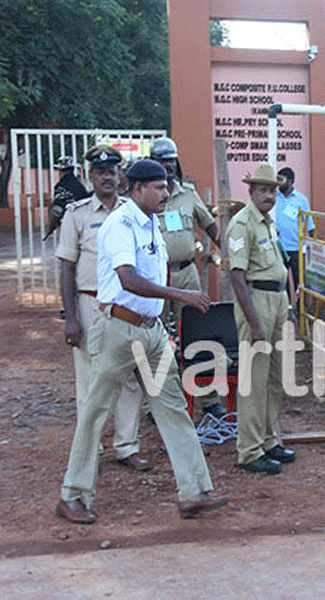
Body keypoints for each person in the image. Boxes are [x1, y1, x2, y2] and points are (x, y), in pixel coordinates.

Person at [56, 159, 229, 524]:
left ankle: (194, 490)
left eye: (166, 187)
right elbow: (129, 279)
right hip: (119, 328)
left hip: (149, 331)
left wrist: (162, 320)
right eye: (159, 187)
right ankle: (72, 495)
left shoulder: (152, 222)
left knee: (172, 408)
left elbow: (154, 272)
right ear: (136, 189)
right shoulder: (120, 224)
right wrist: (182, 297)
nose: (167, 193)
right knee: (96, 412)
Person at [55, 144, 149, 473]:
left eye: (112, 171)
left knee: (128, 377)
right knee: (90, 379)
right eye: (100, 172)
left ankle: (127, 446)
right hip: (89, 303)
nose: (107, 177)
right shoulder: (76, 214)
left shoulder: (131, 211)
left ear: (120, 175)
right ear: (90, 176)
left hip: (124, 305)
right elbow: (66, 267)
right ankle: (90, 448)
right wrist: (70, 317)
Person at [226, 163, 297, 474]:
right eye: (263, 190)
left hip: (278, 300)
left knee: (274, 377)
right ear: (251, 191)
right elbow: (237, 276)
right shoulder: (241, 224)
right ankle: (250, 450)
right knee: (254, 380)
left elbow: (281, 263)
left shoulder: (268, 222)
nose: (269, 195)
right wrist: (254, 324)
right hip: (256, 301)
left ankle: (269, 440)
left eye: (272, 190)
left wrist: (289, 305)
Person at [149, 136, 226, 418]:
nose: (167, 166)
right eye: (161, 161)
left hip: (186, 275)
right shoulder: (143, 198)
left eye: (170, 160)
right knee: (154, 339)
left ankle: (208, 399)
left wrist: (226, 252)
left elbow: (210, 226)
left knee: (197, 334)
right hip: (155, 280)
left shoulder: (188, 195)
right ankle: (154, 403)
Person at [274, 167, 314, 292]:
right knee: (281, 282)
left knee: (300, 282)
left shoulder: (301, 200)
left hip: (297, 248)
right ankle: (286, 309)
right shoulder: (274, 197)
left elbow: (310, 226)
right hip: (279, 248)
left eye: (282, 179)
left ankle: (302, 308)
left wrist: (310, 249)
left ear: (290, 181)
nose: (279, 182)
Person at [45, 155, 92, 240]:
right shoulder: (79, 186)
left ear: (60, 171)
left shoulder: (61, 186)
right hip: (84, 223)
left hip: (69, 224)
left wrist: (50, 227)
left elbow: (57, 209)